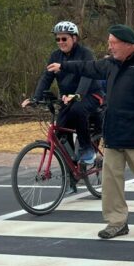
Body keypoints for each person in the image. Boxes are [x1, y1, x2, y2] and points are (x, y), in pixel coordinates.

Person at [47, 24, 134, 239]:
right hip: (114, 129)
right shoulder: (110, 64)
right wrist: (64, 67)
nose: (109, 47)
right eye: (109, 43)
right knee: (111, 177)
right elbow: (88, 67)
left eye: (113, 43)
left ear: (128, 44)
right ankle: (116, 222)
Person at [22, 21, 103, 172]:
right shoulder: (55, 56)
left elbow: (86, 77)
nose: (60, 42)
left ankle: (87, 148)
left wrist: (77, 95)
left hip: (91, 94)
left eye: (64, 38)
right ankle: (72, 170)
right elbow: (46, 77)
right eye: (57, 39)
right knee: (60, 131)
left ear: (74, 38)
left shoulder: (86, 54)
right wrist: (35, 98)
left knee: (78, 109)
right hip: (68, 98)